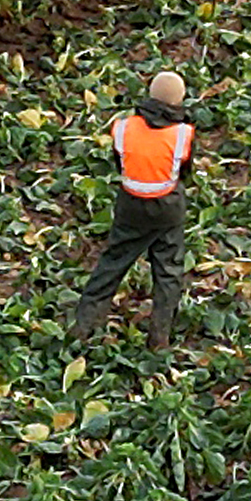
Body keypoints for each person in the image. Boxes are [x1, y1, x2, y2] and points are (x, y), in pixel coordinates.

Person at [84, 68, 206, 336]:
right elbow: (184, 172)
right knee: (168, 270)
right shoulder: (183, 134)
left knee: (113, 262)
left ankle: (83, 327)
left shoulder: (124, 127)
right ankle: (159, 337)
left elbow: (120, 164)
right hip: (167, 208)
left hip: (130, 206)